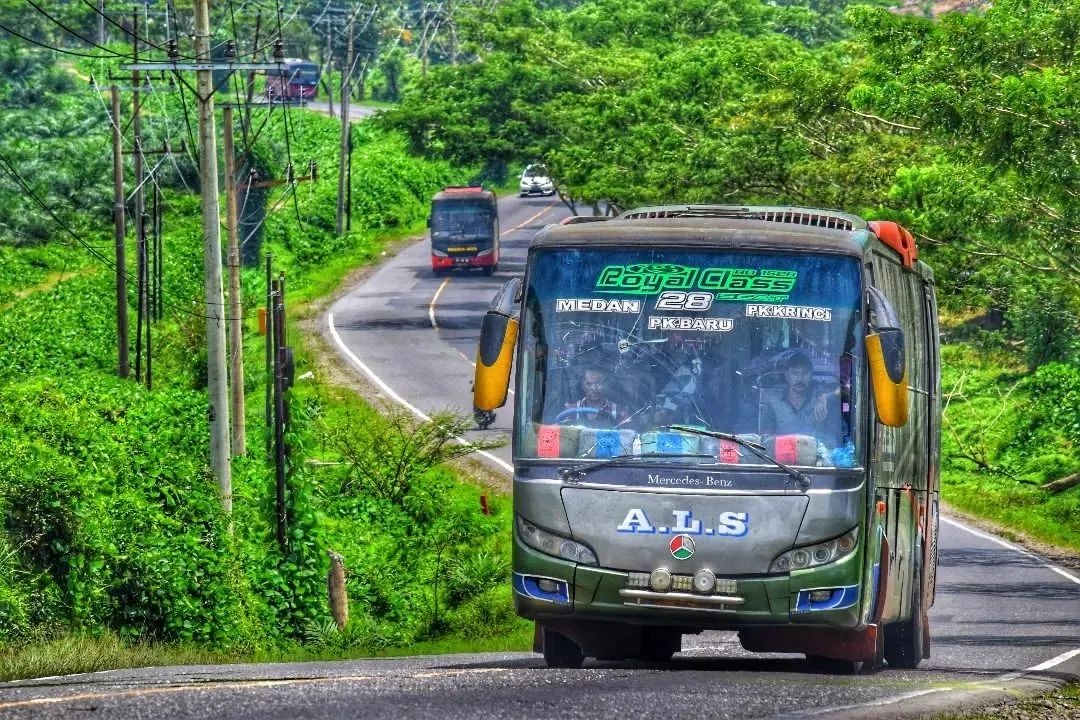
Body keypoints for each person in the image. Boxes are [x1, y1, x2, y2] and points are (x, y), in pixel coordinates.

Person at [758, 350, 840, 446]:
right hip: (781, 457)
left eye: (805, 373)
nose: (800, 378)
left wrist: (825, 396)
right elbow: (765, 440)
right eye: (795, 373)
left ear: (811, 375)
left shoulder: (819, 393)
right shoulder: (773, 401)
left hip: (816, 456)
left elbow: (849, 387)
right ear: (787, 375)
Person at [563, 366, 629, 427]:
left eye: (598, 383)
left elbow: (627, 436)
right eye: (588, 384)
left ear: (605, 384)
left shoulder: (619, 411)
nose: (594, 388)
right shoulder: (571, 410)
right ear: (582, 386)